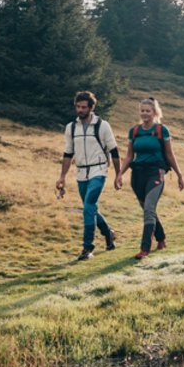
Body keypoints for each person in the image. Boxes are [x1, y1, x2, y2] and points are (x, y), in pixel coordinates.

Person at [54, 90, 120, 260]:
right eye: (78, 107)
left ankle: (87, 247)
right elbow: (68, 153)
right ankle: (109, 234)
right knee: (90, 209)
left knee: (89, 205)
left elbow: (114, 150)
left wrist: (118, 174)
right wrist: (62, 177)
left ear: (91, 107)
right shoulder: (71, 127)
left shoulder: (102, 125)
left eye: (84, 107)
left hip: (99, 170)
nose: (80, 110)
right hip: (81, 172)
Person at [119, 96, 183, 259]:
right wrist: (119, 174)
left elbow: (169, 154)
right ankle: (161, 239)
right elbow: (129, 156)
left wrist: (179, 175)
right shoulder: (134, 131)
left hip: (156, 172)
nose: (145, 113)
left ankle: (145, 249)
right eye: (142, 111)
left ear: (154, 112)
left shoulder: (162, 130)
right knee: (149, 209)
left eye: (148, 111)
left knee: (148, 209)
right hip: (138, 175)